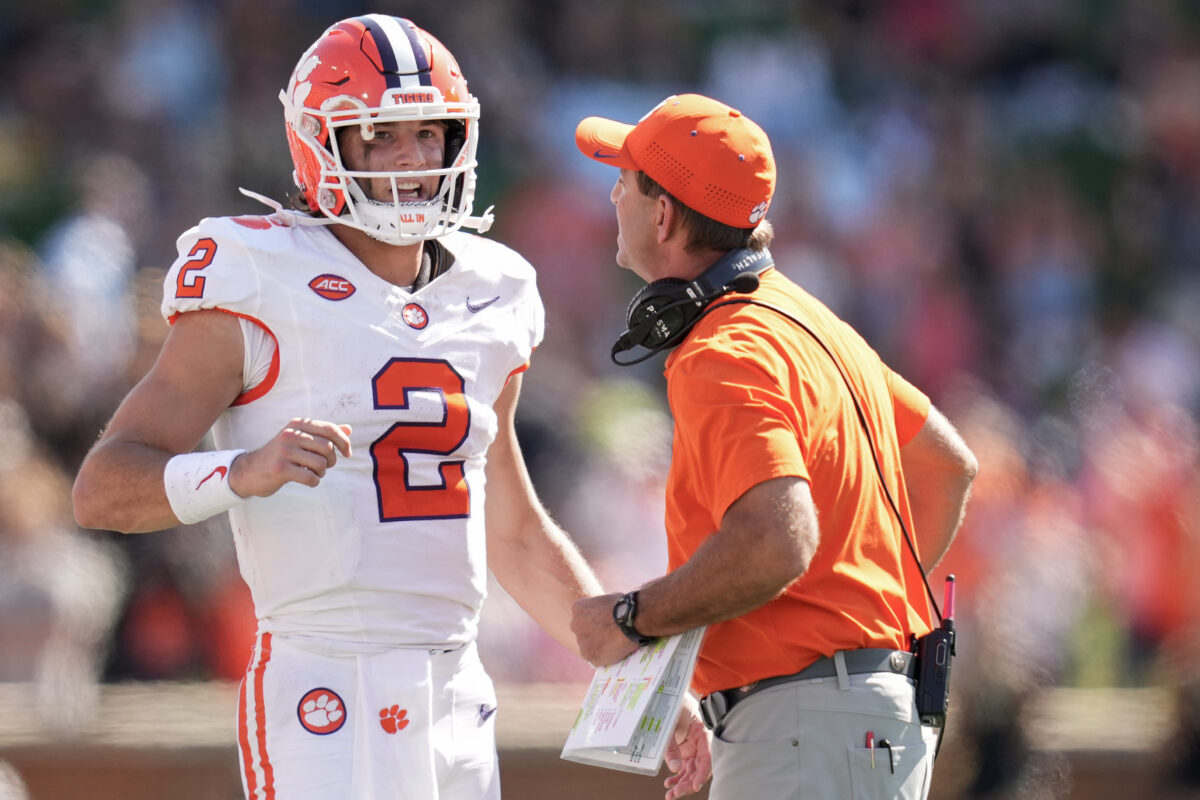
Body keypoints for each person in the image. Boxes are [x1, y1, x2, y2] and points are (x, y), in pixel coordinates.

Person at [73, 16, 707, 800]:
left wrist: (637, 671)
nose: (412, 159)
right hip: (324, 680)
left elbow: (513, 531)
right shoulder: (257, 273)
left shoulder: (494, 288)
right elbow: (103, 488)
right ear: (319, 144)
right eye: (378, 135)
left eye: (429, 133)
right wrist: (240, 471)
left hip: (457, 685)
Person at [570, 93, 979, 800]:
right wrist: (850, 633)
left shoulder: (724, 348)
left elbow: (776, 542)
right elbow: (948, 468)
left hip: (809, 729)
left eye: (625, 181)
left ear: (663, 215)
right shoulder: (807, 318)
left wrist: (632, 620)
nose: (612, 194)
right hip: (845, 721)